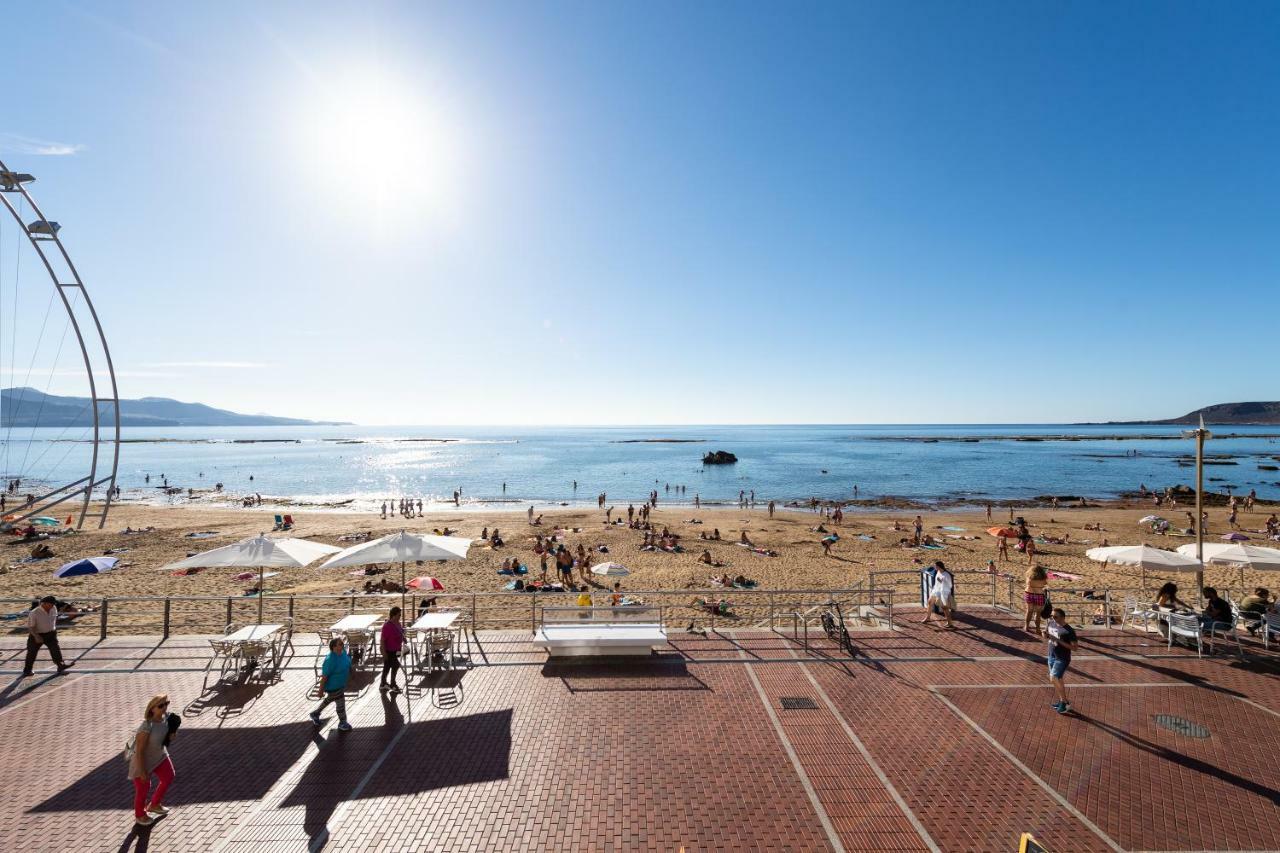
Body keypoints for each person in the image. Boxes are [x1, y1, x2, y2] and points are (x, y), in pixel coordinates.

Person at [128, 694, 177, 826]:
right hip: (143, 760)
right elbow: (139, 751)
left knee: (169, 776)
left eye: (166, 703)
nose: (164, 707)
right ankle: (140, 815)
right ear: (152, 709)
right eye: (161, 705)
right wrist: (142, 771)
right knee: (144, 788)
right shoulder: (146, 726)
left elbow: (166, 738)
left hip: (160, 756)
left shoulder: (167, 718)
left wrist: (172, 734)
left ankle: (154, 804)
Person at [310, 637, 353, 731]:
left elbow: (348, 662)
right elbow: (324, 677)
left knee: (330, 699)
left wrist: (351, 671)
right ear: (334, 647)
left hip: (340, 684)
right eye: (340, 644)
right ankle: (342, 722)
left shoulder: (343, 653)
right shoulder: (330, 660)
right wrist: (320, 690)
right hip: (333, 686)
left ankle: (315, 713)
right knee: (340, 703)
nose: (342, 645)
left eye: (342, 643)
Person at [23, 594, 72, 677]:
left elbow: (54, 618)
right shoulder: (34, 613)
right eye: (51, 604)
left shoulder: (53, 608)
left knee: (55, 650)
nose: (53, 605)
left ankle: (60, 665)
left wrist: (53, 629)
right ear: (44, 603)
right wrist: (36, 636)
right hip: (37, 634)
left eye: (53, 604)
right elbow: (31, 627)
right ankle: (27, 670)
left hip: (51, 634)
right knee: (32, 653)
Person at [1046, 608, 1077, 714]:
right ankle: (1063, 702)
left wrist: (1057, 640)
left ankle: (1064, 702)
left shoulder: (1069, 630)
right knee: (1058, 679)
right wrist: (1044, 635)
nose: (1052, 618)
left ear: (1063, 617)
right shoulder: (1050, 623)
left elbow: (1074, 647)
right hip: (1051, 655)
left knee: (1053, 678)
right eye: (1051, 616)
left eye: (1055, 617)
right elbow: (1047, 635)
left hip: (1062, 658)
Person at [380, 606, 406, 694]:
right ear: (393, 615)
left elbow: (401, 632)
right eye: (399, 615)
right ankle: (393, 684)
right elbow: (382, 640)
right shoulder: (387, 626)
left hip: (396, 649)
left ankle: (383, 683)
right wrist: (384, 653)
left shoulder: (398, 623)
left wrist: (403, 638)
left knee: (387, 667)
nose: (400, 617)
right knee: (395, 665)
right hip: (388, 650)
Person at [921, 561, 954, 628]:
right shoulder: (938, 572)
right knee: (930, 602)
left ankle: (950, 623)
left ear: (939, 566)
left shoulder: (946, 575)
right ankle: (928, 617)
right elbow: (937, 582)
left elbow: (950, 585)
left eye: (935, 566)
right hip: (936, 590)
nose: (934, 567)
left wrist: (947, 593)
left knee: (944, 608)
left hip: (943, 592)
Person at [1023, 565, 1049, 635]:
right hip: (1039, 594)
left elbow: (1028, 583)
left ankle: (1027, 626)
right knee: (1038, 613)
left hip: (1029, 593)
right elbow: (1045, 584)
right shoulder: (1043, 578)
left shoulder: (1029, 577)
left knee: (1029, 611)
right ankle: (1037, 629)